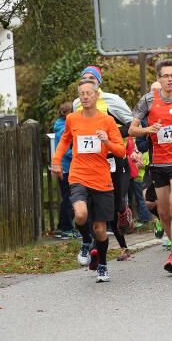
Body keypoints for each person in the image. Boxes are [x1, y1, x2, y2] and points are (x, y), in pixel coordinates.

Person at [51, 79, 125, 282]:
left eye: (88, 93)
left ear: (96, 95)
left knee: (100, 229)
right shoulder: (72, 119)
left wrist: (106, 141)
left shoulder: (107, 121)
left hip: (101, 179)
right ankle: (85, 240)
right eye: (81, 94)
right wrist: (56, 161)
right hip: (78, 175)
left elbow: (121, 150)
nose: (85, 97)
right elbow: (64, 140)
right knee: (81, 214)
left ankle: (102, 265)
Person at [129, 59, 172, 273]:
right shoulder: (148, 100)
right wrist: (148, 131)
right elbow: (132, 130)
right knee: (164, 213)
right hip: (158, 164)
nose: (169, 79)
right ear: (158, 78)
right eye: (165, 76)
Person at [73, 66, 134, 257]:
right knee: (93, 203)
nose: (88, 82)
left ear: (99, 83)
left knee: (116, 204)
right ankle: (97, 246)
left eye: (92, 79)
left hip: (114, 158)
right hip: (90, 162)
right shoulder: (77, 104)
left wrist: (111, 134)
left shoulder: (112, 100)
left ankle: (124, 224)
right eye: (84, 79)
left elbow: (133, 124)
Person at [52, 102, 77, 240]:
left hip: (66, 167)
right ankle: (65, 228)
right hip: (66, 168)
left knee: (68, 197)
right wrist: (80, 154)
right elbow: (67, 151)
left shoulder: (61, 126)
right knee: (68, 198)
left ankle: (64, 227)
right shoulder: (63, 129)